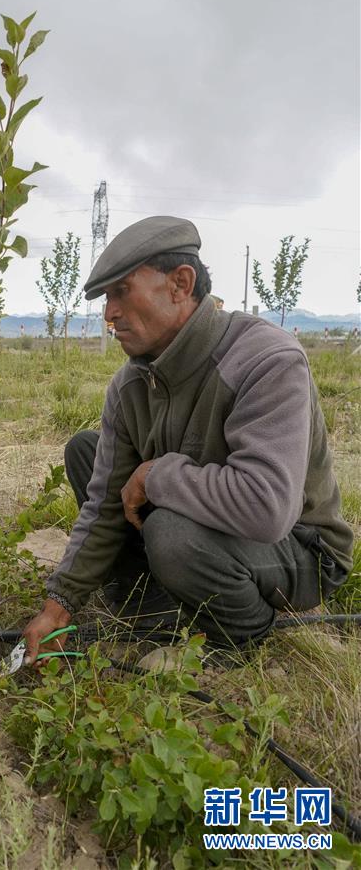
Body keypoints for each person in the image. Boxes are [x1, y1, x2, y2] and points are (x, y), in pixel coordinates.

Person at [23, 216, 353, 662]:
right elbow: (104, 506)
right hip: (215, 528)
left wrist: (157, 474)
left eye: (121, 291)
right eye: (106, 298)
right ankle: (157, 611)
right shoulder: (129, 385)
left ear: (180, 283)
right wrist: (58, 605)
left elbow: (267, 509)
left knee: (171, 531)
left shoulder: (267, 360)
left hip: (300, 548)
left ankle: (237, 636)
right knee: (85, 450)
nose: (108, 314)